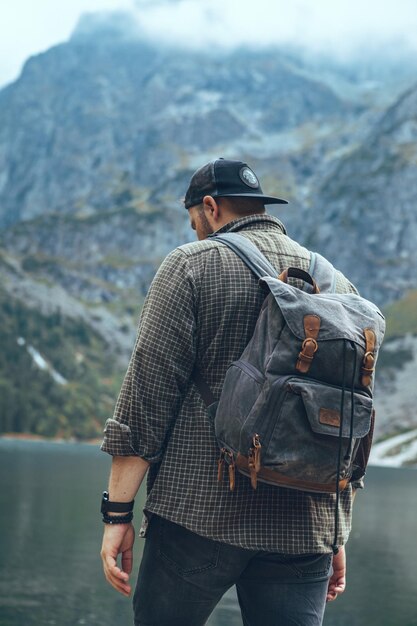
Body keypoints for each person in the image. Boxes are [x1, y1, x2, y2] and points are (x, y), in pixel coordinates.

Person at [100, 158, 365, 626]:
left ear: (210, 207)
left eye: (194, 222)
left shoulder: (190, 265)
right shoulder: (338, 284)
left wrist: (116, 514)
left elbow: (144, 403)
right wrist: (336, 534)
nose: (197, 232)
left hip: (199, 514)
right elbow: (347, 419)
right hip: (306, 526)